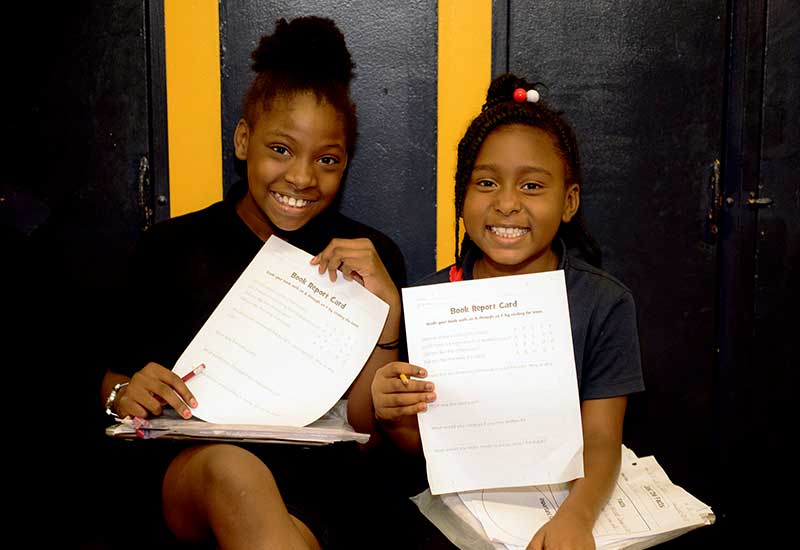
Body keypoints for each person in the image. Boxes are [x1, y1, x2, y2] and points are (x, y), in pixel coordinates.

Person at [100, 16, 405, 549]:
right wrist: (126, 392)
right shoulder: (171, 247)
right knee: (235, 474)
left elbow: (366, 432)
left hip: (319, 484)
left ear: (346, 165)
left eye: (327, 160)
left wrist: (387, 314)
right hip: (196, 474)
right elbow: (114, 382)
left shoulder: (367, 259)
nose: (302, 178)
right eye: (281, 150)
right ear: (244, 140)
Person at [371, 73, 645, 550]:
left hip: (568, 506)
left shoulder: (604, 304)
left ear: (569, 201)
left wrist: (575, 519)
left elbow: (602, 439)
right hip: (455, 517)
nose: (507, 203)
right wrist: (393, 415)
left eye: (533, 186)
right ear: (462, 198)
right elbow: (424, 446)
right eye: (486, 183)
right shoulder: (430, 302)